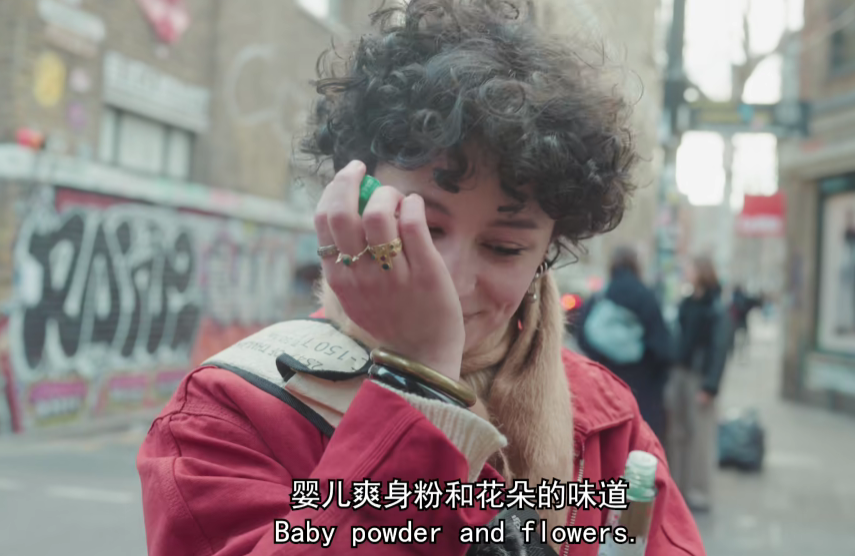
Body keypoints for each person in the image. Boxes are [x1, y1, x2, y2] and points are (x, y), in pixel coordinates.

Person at [137, 2, 705, 554]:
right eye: (425, 229)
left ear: (545, 254)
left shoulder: (607, 420)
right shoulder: (233, 409)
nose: (451, 284)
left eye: (504, 248)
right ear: (351, 203)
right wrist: (417, 383)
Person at [576, 246, 674, 442]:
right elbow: (663, 349)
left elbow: (582, 334)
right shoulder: (646, 296)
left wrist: (603, 357)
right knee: (639, 445)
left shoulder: (601, 295)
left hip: (605, 387)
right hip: (642, 389)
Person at [666, 255, 730, 513]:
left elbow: (719, 349)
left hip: (699, 377)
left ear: (702, 272)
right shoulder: (686, 302)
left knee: (700, 436)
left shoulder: (716, 307)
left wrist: (710, 386)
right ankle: (677, 487)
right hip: (679, 373)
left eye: (690, 268)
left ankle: (699, 491)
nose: (687, 272)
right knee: (677, 433)